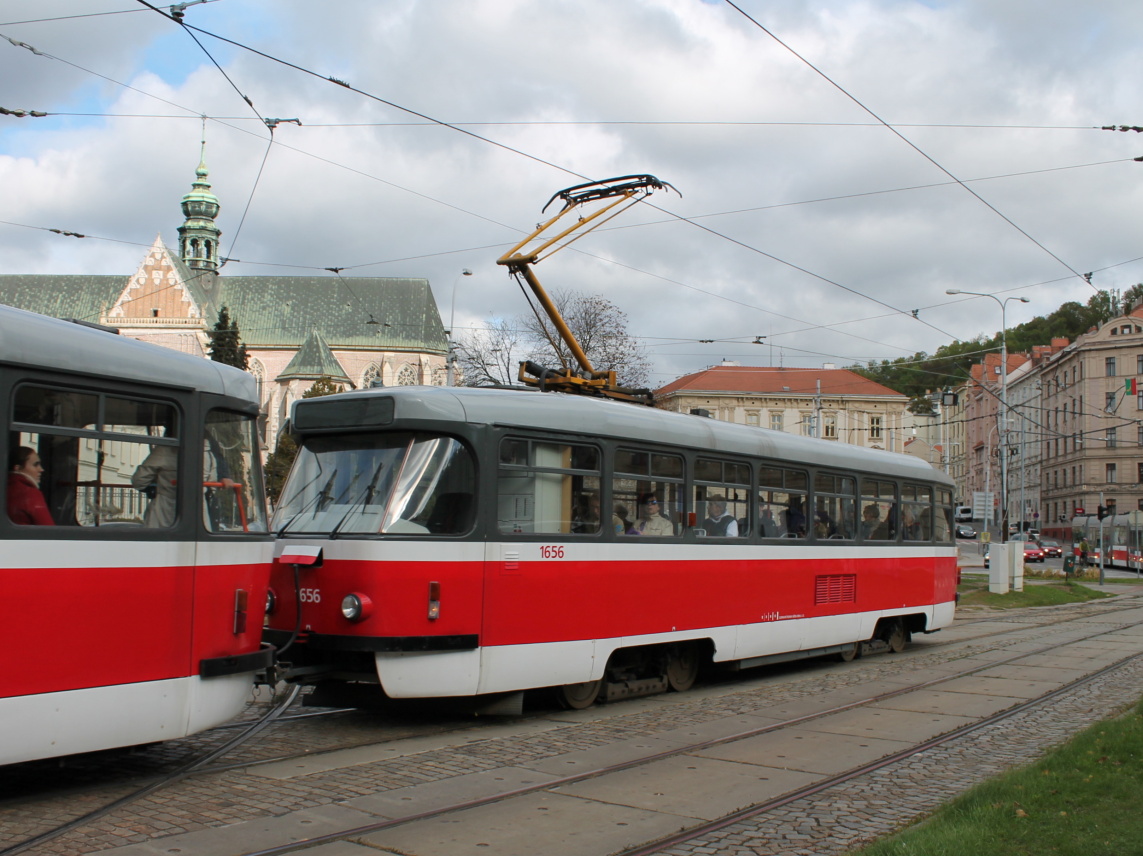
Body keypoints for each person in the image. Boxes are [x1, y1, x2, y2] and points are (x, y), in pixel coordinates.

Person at [132, 441, 178, 527]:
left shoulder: (164, 449)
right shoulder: (207, 451)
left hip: (163, 508)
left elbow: (139, 480)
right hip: (198, 509)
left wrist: (153, 486)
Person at [7, 446, 54, 525]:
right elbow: (48, 530)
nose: (41, 469)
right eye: (35, 465)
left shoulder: (6, 488)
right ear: (18, 468)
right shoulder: (29, 493)